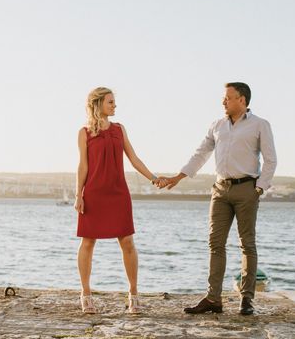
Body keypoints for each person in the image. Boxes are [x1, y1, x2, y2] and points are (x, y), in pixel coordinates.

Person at [158, 82, 277, 315]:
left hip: (247, 189)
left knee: (247, 244)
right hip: (220, 190)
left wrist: (259, 189)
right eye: (224, 98)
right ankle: (213, 299)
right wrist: (178, 177)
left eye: (228, 98)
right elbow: (200, 153)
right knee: (215, 243)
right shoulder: (217, 125)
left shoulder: (260, 125)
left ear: (242, 100)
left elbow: (271, 160)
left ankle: (246, 299)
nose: (223, 102)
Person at [75, 87, 158, 314]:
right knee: (88, 242)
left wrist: (153, 178)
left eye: (114, 102)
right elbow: (83, 166)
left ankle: (133, 294)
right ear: (98, 103)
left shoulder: (120, 129)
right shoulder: (84, 133)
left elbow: (133, 158)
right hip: (93, 194)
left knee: (127, 242)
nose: (114, 106)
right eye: (110, 102)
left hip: (118, 193)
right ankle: (86, 294)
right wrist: (78, 195)